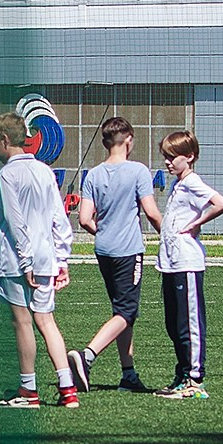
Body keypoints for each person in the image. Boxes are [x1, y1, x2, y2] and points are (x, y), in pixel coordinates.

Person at [0, 112, 79, 409]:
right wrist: (61, 259)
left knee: (22, 322)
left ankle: (29, 390)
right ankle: (68, 389)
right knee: (47, 321)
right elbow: (58, 218)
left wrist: (25, 262)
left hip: (18, 260)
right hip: (45, 255)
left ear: (4, 140)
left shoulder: (7, 174)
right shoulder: (44, 170)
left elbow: (16, 223)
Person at [65, 116, 161, 395]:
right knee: (127, 311)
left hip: (104, 250)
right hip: (128, 250)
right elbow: (151, 212)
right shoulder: (138, 171)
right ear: (128, 139)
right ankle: (87, 356)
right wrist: (169, 236)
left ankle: (128, 375)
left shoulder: (93, 175)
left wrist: (105, 232)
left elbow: (84, 219)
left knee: (122, 312)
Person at [154, 129, 223, 399]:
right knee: (173, 324)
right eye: (166, 157)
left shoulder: (192, 181)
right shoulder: (178, 184)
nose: (168, 162)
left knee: (189, 323)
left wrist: (197, 223)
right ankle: (182, 374)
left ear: (189, 157)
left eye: (173, 157)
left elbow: (222, 204)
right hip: (171, 263)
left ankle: (195, 380)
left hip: (187, 262)